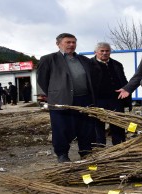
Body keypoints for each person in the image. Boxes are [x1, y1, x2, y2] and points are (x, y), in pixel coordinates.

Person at [37, 33, 101, 163]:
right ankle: (62, 154)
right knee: (61, 128)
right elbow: (42, 80)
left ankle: (85, 152)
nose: (71, 45)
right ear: (58, 44)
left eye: (73, 42)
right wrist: (57, 92)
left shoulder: (84, 60)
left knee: (86, 128)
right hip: (61, 101)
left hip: (84, 100)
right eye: (68, 42)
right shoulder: (49, 59)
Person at [91, 42, 131, 146]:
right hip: (98, 101)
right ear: (96, 52)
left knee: (118, 125)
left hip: (116, 100)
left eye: (107, 51)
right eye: (102, 51)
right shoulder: (89, 64)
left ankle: (119, 147)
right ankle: (99, 149)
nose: (105, 53)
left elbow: (123, 80)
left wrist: (127, 91)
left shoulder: (117, 64)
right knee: (98, 126)